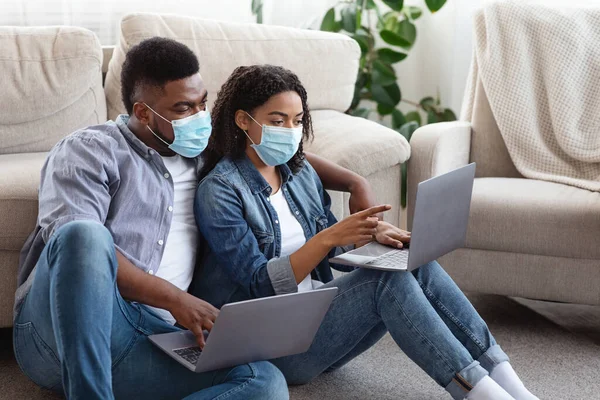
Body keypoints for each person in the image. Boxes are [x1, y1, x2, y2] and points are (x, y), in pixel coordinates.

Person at [13, 38, 377, 400]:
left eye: (203, 103)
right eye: (184, 108)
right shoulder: (89, 150)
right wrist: (177, 300)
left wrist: (352, 181)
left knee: (264, 384)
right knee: (84, 235)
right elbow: (75, 256)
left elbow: (274, 155)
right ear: (143, 113)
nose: (199, 118)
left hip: (150, 337)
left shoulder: (204, 151)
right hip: (58, 337)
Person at [193, 64, 540, 400]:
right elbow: (260, 284)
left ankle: (507, 381)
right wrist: (330, 236)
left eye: (297, 121)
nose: (290, 130)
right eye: (277, 121)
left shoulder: (297, 172)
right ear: (243, 120)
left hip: (315, 318)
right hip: (269, 343)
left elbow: (332, 253)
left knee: (408, 263)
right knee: (386, 283)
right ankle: (478, 392)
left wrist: (369, 237)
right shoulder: (221, 190)